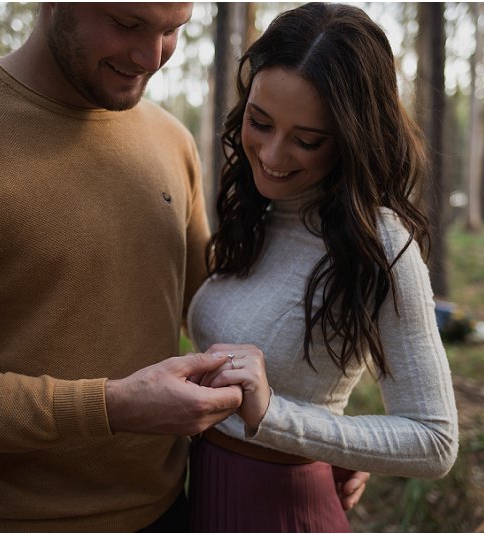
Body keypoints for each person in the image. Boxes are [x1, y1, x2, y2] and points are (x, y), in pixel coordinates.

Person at [0, 3, 370, 531]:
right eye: (127, 24)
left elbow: (219, 320)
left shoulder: (170, 139)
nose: (152, 57)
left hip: (175, 512)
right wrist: (113, 407)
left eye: (172, 30)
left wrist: (318, 433)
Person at [186, 3, 460, 532]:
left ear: (352, 138)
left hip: (286, 510)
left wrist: (278, 417)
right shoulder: (256, 209)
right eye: (259, 122)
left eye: (307, 140)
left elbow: (434, 440)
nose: (271, 153)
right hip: (205, 495)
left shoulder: (379, 241)